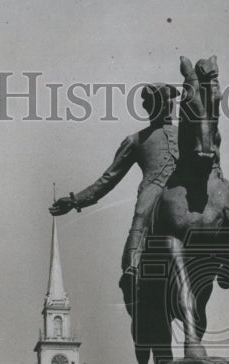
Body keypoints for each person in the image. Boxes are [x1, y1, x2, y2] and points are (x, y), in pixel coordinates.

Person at [49, 83, 180, 307]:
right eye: (165, 102)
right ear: (151, 107)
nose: (171, 107)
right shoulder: (136, 140)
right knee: (142, 213)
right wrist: (74, 200)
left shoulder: (187, 135)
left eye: (172, 102)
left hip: (183, 192)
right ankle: (132, 267)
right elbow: (108, 179)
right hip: (154, 189)